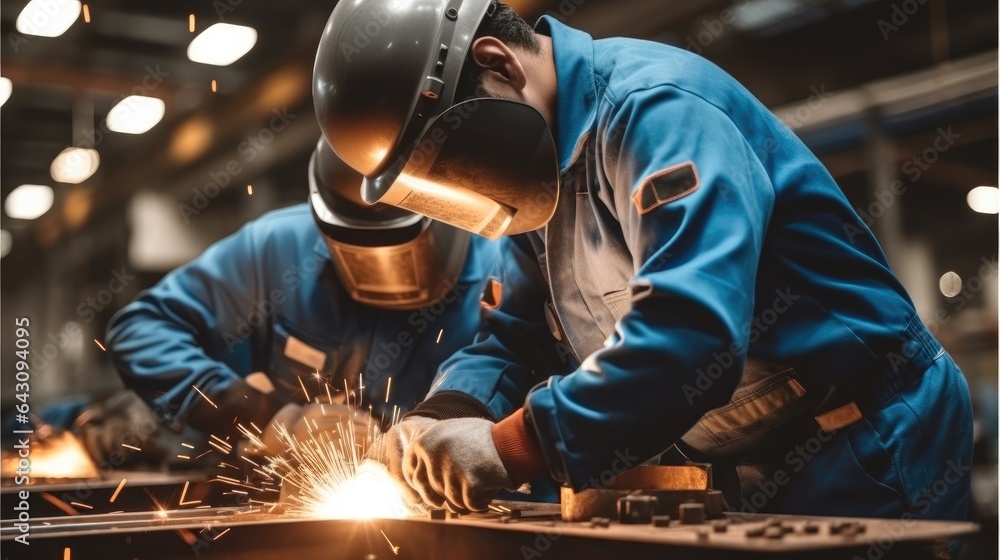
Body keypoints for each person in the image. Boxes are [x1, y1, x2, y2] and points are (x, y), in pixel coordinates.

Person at [314, 0, 974, 525]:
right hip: (744, 461)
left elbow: (691, 333)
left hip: (869, 441)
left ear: (498, 62)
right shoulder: (532, 173)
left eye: (455, 162)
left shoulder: (657, 111)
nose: (464, 188)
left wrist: (511, 447)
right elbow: (514, 333)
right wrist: (444, 416)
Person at [106, 139, 498, 461]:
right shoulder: (277, 248)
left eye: (401, 255)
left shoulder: (502, 268)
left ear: (449, 215)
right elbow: (140, 329)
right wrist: (266, 416)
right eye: (359, 257)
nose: (383, 277)